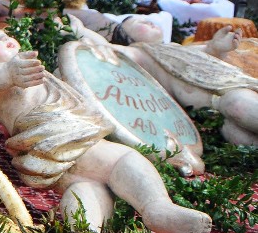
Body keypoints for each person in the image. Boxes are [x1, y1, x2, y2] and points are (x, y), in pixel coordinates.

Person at [0, 25, 212, 233]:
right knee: (122, 159)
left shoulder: (37, 74)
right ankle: (156, 207)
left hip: (62, 153)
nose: (5, 39)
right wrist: (7, 73)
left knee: (86, 189)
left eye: (5, 34)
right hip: (61, 141)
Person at [109, 17, 258, 146]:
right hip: (215, 117)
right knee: (238, 136)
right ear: (128, 40)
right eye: (137, 23)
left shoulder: (175, 49)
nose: (148, 21)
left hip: (229, 94)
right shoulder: (138, 54)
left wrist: (215, 48)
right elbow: (99, 45)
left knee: (237, 105)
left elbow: (204, 54)